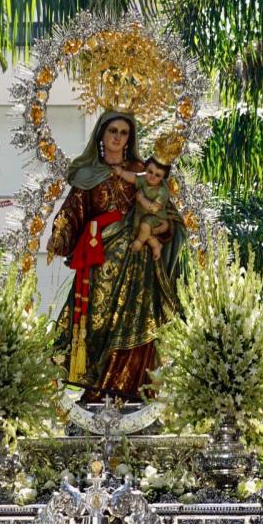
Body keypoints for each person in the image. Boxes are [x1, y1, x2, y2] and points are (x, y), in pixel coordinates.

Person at [46, 109, 185, 399]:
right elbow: (74, 212)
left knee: (138, 321)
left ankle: (136, 391)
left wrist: (161, 227)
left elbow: (168, 212)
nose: (117, 137)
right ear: (101, 134)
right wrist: (59, 236)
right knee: (96, 325)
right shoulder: (87, 174)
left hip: (138, 263)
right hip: (100, 261)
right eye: (113, 131)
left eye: (124, 133)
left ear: (129, 138)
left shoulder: (142, 172)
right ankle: (97, 392)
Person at [121, 156, 172, 258]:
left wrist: (141, 199)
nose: (152, 176)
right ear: (146, 169)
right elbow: (133, 177)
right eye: (150, 172)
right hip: (141, 214)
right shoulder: (144, 179)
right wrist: (120, 173)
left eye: (157, 175)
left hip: (156, 217)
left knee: (145, 226)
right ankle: (156, 245)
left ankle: (138, 243)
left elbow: (154, 208)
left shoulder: (162, 191)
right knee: (142, 230)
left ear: (163, 177)